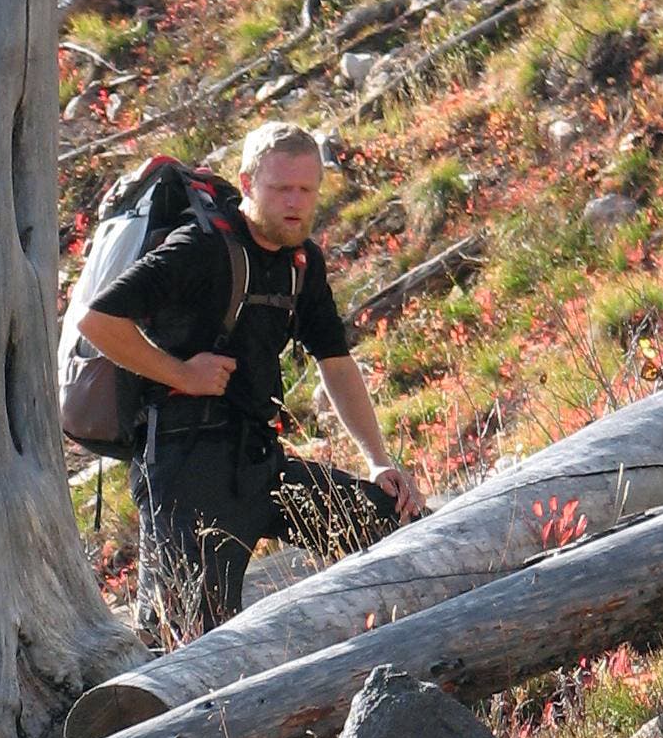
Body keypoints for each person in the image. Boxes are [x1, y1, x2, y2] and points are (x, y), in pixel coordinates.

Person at [78, 121, 426, 634]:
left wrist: (378, 460)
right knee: (189, 638)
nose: (295, 202)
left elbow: (334, 360)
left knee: (393, 525)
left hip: (260, 460)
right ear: (246, 183)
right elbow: (98, 322)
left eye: (306, 190)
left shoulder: (302, 261)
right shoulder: (199, 246)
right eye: (280, 188)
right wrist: (182, 374)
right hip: (183, 466)